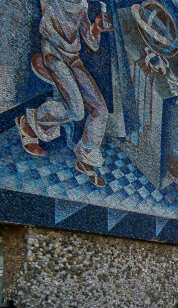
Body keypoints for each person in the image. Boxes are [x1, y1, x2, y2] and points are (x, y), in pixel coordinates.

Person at [16, 0, 114, 187]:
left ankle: (85, 159)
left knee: (101, 110)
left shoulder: (82, 5)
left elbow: (92, 44)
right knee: (76, 111)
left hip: (73, 59)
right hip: (53, 54)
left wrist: (96, 27)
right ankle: (29, 122)